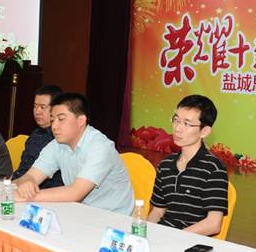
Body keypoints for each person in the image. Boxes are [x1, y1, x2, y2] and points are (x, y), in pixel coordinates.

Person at [13, 93, 134, 215]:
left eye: (61, 119)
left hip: (115, 218)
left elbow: (75, 192)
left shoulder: (100, 147)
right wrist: (27, 182)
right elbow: (30, 176)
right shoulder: (57, 144)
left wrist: (28, 197)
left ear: (81, 120)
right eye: (52, 120)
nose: (54, 126)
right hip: (82, 212)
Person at [148, 95, 228, 236]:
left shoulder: (214, 169)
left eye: (187, 124)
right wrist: (145, 234)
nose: (178, 128)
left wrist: (176, 238)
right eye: (176, 120)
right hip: (163, 236)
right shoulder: (165, 165)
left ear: (205, 131)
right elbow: (158, 211)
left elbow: (213, 224)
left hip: (190, 241)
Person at [12, 85, 64, 188]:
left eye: (42, 107)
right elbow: (22, 170)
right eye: (35, 106)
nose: (37, 111)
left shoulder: (62, 139)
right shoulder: (35, 134)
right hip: (22, 185)